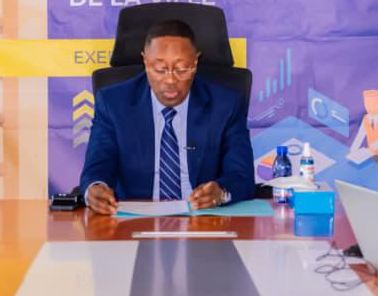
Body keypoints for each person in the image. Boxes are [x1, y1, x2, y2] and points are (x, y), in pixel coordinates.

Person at [80, 19, 255, 214]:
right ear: (145, 61)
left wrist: (220, 192)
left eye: (181, 69)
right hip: (133, 218)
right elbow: (98, 165)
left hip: (204, 218)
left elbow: (242, 175)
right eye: (160, 70)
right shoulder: (113, 103)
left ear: (195, 62)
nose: (170, 80)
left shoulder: (226, 104)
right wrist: (95, 189)